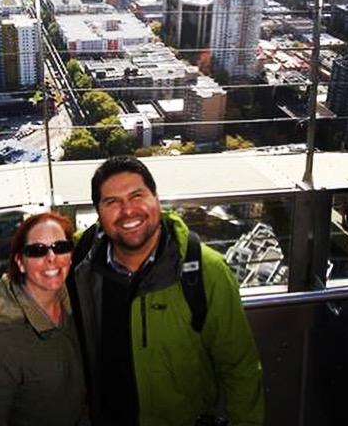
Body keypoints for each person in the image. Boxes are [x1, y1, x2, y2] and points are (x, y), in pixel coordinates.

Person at [67, 156, 264, 426]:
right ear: (99, 214)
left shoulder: (205, 271)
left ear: (156, 198)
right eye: (112, 202)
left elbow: (240, 368)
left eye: (137, 196)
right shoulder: (82, 263)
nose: (127, 211)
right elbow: (33, 273)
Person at [0, 212, 87, 426]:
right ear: (20, 263)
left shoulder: (76, 301)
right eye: (37, 250)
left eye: (60, 247)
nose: (51, 258)